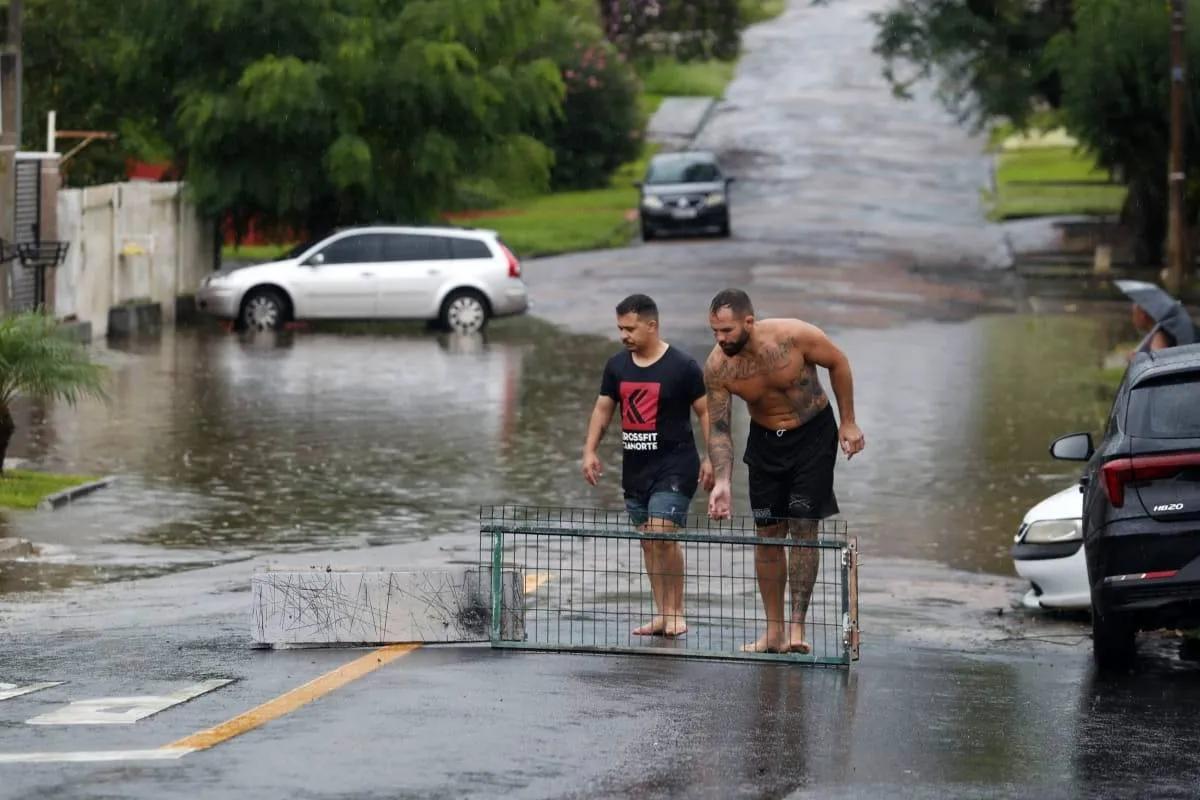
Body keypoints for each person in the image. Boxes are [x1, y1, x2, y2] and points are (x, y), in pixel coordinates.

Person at [703, 289, 865, 653]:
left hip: (812, 435)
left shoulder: (793, 335)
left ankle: (796, 629)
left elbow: (838, 362)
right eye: (714, 331)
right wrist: (723, 481)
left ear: (749, 321)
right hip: (765, 442)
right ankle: (773, 632)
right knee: (768, 534)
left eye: (727, 330)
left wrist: (849, 422)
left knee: (804, 526)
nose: (720, 339)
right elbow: (720, 429)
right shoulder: (717, 367)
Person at [582, 294, 714, 637]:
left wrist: (712, 456)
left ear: (652, 325)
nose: (623, 335)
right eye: (620, 329)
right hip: (636, 468)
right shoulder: (616, 366)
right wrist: (590, 450)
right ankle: (661, 613)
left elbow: (705, 412)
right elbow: (603, 408)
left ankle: (676, 612)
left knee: (662, 535)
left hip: (676, 466)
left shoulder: (683, 366)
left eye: (630, 328)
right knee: (648, 541)